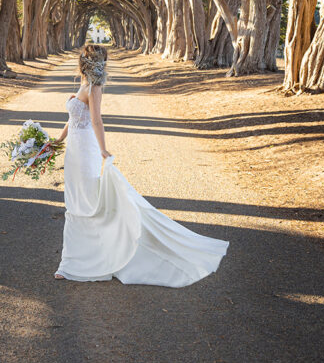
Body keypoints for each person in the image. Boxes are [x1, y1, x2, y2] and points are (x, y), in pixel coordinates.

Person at [53, 44, 229, 286]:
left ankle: (80, 262)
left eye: (86, 58)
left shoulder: (94, 87)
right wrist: (57, 141)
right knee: (75, 203)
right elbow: (74, 118)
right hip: (74, 151)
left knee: (87, 204)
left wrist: (103, 149)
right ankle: (75, 260)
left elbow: (96, 120)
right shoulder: (84, 84)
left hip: (85, 151)